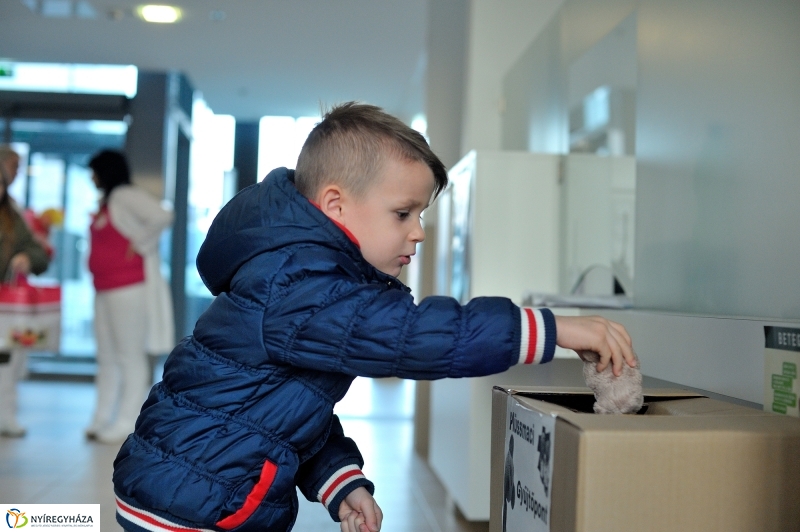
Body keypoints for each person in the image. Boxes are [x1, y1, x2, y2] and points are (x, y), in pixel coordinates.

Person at [111, 102, 636, 532]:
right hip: (193, 505)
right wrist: (554, 328)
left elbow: (290, 411)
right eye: (403, 213)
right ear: (335, 205)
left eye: (423, 215)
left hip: (194, 488)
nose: (420, 232)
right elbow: (415, 337)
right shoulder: (303, 286)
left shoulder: (304, 278)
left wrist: (341, 481)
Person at [86, 149, 175, 445]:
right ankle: (101, 417)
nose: (92, 177)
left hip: (128, 288)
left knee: (128, 355)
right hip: (105, 289)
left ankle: (127, 420)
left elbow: (163, 214)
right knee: (107, 357)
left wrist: (139, 243)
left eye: (95, 171)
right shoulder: (108, 202)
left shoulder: (123, 195)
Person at [0, 149, 50, 437]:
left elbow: (36, 251)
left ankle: (6, 415)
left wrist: (27, 258)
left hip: (5, 303)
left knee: (8, 362)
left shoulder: (12, 217)